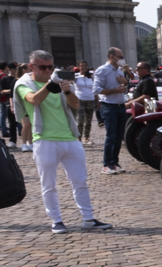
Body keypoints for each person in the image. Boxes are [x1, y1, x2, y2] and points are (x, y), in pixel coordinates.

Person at [15, 51, 113, 234]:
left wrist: (67, 90)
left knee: (80, 181)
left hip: (69, 138)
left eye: (50, 67)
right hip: (44, 139)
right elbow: (33, 100)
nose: (47, 70)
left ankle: (88, 219)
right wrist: (51, 84)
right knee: (49, 184)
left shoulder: (60, 84)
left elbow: (75, 105)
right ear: (31, 67)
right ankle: (56, 221)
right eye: (43, 67)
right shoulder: (24, 84)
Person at [95, 46, 130, 174]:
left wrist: (125, 83)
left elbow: (123, 88)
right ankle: (106, 164)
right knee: (111, 136)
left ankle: (115, 163)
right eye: (120, 57)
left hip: (120, 105)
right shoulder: (102, 70)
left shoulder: (119, 71)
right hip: (109, 106)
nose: (122, 59)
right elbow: (97, 90)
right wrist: (115, 90)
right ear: (112, 57)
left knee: (119, 136)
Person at [73, 62, 98, 143]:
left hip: (90, 99)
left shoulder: (91, 76)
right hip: (79, 99)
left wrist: (97, 101)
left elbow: (95, 89)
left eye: (84, 66)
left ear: (87, 67)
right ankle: (78, 138)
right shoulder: (76, 76)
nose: (83, 67)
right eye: (81, 66)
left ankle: (86, 137)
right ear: (79, 67)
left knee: (88, 121)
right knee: (80, 120)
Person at [13, 63, 34, 151]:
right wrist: (12, 106)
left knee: (30, 125)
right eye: (29, 69)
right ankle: (24, 144)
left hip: (30, 105)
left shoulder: (30, 80)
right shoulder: (18, 81)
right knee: (26, 125)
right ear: (24, 70)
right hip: (22, 106)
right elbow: (12, 95)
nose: (31, 71)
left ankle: (30, 143)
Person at [0, 61, 15, 147]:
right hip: (5, 98)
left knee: (3, 115)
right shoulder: (4, 76)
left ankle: (4, 129)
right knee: (5, 115)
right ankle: (4, 130)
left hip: (4, 98)